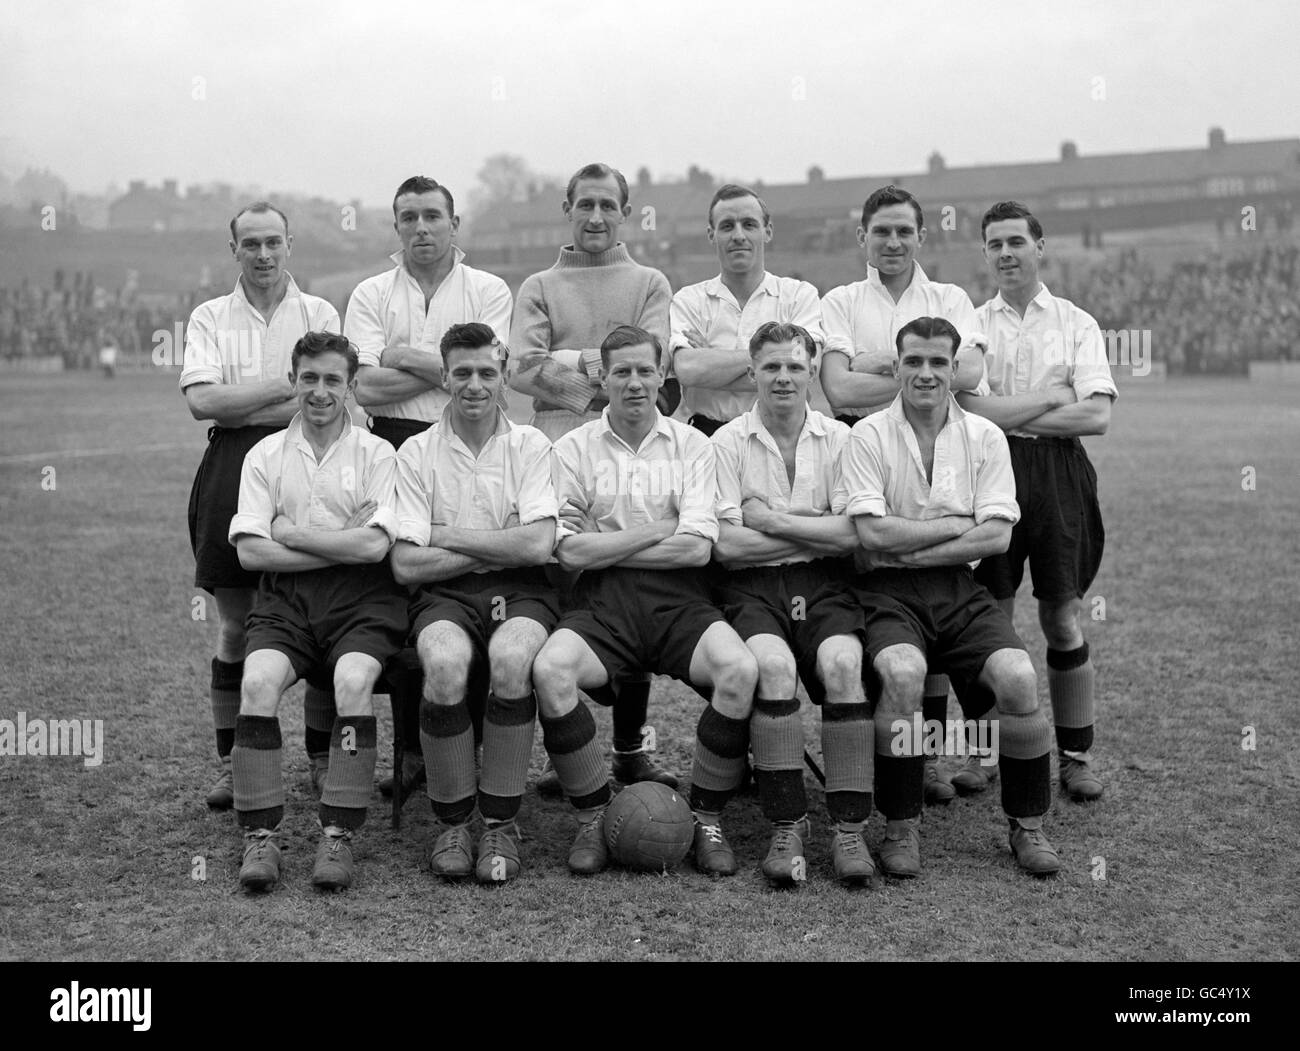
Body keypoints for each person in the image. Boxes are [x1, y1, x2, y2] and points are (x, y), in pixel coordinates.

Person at [530, 325, 758, 877]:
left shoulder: (694, 445)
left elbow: (698, 550)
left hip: (680, 602)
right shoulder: (571, 448)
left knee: (740, 669)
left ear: (662, 376)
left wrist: (606, 544)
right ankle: (592, 815)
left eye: (644, 371)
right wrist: (659, 528)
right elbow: (568, 553)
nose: (634, 383)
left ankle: (706, 817)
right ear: (602, 379)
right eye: (621, 372)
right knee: (550, 669)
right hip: (601, 603)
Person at [841, 316, 1061, 877]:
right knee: (903, 675)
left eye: (938, 362)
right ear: (896, 367)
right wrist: (954, 524)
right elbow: (871, 536)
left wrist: (908, 545)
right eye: (913, 360)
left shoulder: (985, 436)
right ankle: (899, 825)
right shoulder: (865, 434)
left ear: (955, 369)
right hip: (884, 594)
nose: (925, 372)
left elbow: (997, 537)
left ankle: (1028, 825)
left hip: (959, 589)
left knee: (1018, 676)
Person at [507, 162, 675, 788]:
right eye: (585, 205)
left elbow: (648, 367)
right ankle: (564, 755)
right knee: (563, 591)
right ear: (568, 208)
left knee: (627, 586)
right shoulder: (540, 285)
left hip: (626, 451)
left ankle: (630, 749)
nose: (597, 217)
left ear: (625, 212)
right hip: (552, 447)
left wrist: (571, 364)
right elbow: (519, 371)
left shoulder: (650, 281)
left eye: (609, 205)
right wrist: (593, 367)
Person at [345, 175, 512, 802]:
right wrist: (444, 368)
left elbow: (483, 378)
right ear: (396, 227)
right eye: (408, 217)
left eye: (432, 217)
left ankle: (464, 746)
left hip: (472, 438)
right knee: (401, 593)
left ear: (454, 223)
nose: (421, 227)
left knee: (466, 590)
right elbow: (363, 387)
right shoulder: (368, 291)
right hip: (391, 442)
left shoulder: (489, 289)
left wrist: (404, 357)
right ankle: (411, 753)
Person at [819, 184, 987, 804]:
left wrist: (875, 366)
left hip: (934, 459)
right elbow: (836, 391)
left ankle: (930, 762)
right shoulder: (838, 301)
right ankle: (863, 752)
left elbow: (967, 375)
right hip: (857, 460)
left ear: (921, 236)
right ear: (863, 236)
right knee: (867, 602)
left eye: (904, 232)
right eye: (881, 231)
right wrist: (915, 378)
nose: (892, 242)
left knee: (935, 624)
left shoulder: (950, 298)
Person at [227, 331, 406, 892]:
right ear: (292, 381)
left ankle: (337, 834)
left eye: (333, 380)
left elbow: (375, 548)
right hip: (285, 604)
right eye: (309, 378)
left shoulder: (380, 454)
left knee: (353, 680)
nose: (320, 391)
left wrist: (293, 534)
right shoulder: (264, 455)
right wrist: (338, 538)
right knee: (256, 685)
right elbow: (251, 551)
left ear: (353, 386)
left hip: (364, 603)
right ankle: (260, 838)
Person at [181, 202, 340, 810]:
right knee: (235, 625)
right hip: (230, 468)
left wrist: (243, 401)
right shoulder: (209, 315)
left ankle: (323, 759)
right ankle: (233, 762)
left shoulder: (319, 313)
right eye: (251, 244)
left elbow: (328, 401)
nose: (264, 254)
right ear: (234, 250)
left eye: (274, 242)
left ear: (291, 244)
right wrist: (285, 387)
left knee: (324, 617)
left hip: (312, 461)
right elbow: (204, 404)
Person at [956, 201, 1117, 802]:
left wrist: (1016, 409)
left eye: (1016, 241)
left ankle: (1075, 757)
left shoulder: (1076, 322)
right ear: (985, 252)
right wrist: (1049, 398)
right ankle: (984, 751)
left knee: (1060, 615)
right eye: (994, 243)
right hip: (990, 470)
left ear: (1039, 246)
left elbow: (1096, 414)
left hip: (1059, 475)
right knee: (988, 618)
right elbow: (971, 410)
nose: (1006, 253)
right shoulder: (971, 326)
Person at [390, 324, 558, 883]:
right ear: (443, 377)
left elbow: (537, 545)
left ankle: (501, 822)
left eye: (487, 372)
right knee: (441, 664)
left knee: (513, 660)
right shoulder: (415, 452)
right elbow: (406, 565)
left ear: (504, 375)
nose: (475, 384)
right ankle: (454, 821)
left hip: (523, 591)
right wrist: (497, 543)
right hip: (444, 596)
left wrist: (446, 533)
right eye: (462, 372)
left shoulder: (532, 445)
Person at [711, 321, 874, 886]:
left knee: (843, 665)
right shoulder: (725, 442)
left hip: (823, 584)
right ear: (752, 371)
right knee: (773, 668)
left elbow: (852, 537)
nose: (784, 378)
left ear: (812, 372)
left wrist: (770, 519)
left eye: (796, 367)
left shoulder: (843, 439)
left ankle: (849, 830)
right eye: (771, 367)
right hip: (752, 585)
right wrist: (814, 524)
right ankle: (789, 825)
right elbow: (728, 547)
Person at [670, 184, 824, 436]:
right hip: (709, 439)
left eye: (749, 225)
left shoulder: (799, 296)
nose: (738, 235)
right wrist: (775, 359)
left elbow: (801, 366)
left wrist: (712, 357)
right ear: (712, 234)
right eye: (727, 226)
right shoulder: (689, 300)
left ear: (768, 231)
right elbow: (688, 370)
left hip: (784, 437)